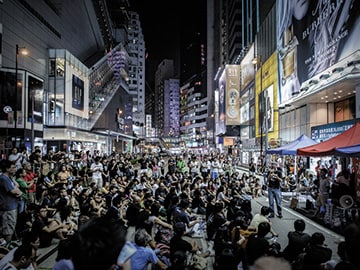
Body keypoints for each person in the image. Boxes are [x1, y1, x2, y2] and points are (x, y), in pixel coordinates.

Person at [0, 160, 23, 243]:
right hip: (7, 208)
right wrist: (19, 192)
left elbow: (17, 185)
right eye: (13, 167)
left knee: (11, 227)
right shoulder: (3, 179)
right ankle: (6, 248)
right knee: (8, 229)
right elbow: (15, 191)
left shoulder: (9, 178)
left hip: (12, 206)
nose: (15, 169)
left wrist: (12, 179)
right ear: (7, 169)